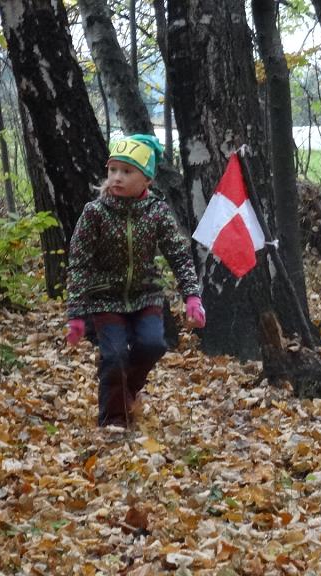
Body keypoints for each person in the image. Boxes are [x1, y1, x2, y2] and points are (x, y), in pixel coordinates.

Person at [64, 134, 205, 428]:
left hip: (145, 296)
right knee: (113, 356)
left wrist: (192, 296)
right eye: (113, 170)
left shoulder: (157, 212)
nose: (117, 177)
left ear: (147, 180)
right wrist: (76, 314)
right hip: (106, 298)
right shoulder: (95, 213)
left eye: (127, 172)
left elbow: (179, 254)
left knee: (153, 344)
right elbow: (79, 263)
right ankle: (113, 420)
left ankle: (127, 391)